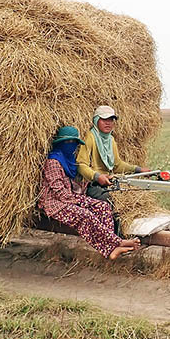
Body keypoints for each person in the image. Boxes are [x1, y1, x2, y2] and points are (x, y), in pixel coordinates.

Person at [38, 126, 139, 260]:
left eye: (74, 143)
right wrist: (80, 202)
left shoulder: (71, 162)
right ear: (61, 144)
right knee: (86, 215)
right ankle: (116, 243)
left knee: (103, 207)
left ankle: (112, 248)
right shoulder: (53, 162)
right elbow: (60, 192)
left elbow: (76, 185)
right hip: (54, 203)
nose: (71, 146)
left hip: (70, 197)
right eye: (68, 143)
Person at [77, 105, 148, 206]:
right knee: (111, 201)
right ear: (96, 120)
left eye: (111, 120)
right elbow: (81, 164)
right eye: (104, 119)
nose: (108, 123)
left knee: (134, 197)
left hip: (108, 181)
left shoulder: (111, 140)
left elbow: (117, 165)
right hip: (92, 184)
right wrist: (97, 176)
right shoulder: (90, 137)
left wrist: (138, 169)